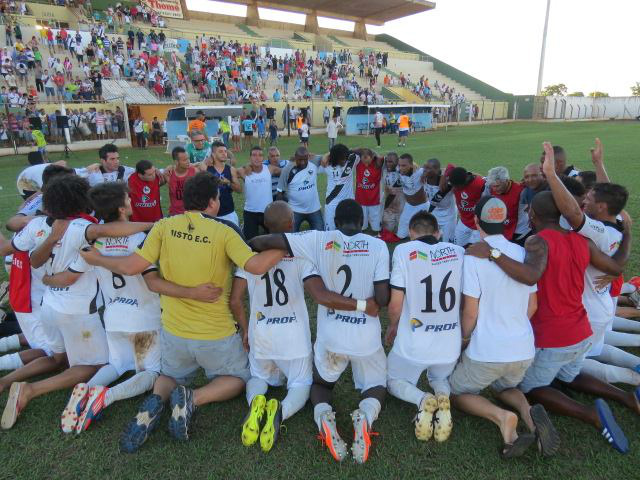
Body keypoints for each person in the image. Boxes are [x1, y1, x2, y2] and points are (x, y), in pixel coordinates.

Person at [77, 172, 285, 453]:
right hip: (215, 334)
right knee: (239, 379)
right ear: (213, 202)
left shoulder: (163, 226)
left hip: (174, 332)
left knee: (169, 375)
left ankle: (156, 401)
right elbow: (256, 266)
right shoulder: (225, 230)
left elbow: (131, 267)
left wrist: (95, 258)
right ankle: (194, 399)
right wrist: (288, 243)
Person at [465, 142, 634, 454]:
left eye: (529, 209)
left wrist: (492, 251)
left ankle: (591, 415)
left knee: (532, 388)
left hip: (557, 335)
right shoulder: (582, 241)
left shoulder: (537, 242)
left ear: (534, 214)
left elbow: (529, 275)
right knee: (570, 376)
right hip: (582, 330)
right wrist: (628, 234)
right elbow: (617, 266)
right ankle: (623, 396)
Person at [0, 175, 153, 430]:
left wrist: (49, 255)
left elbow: (32, 261)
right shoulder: (81, 227)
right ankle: (30, 389)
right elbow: (108, 229)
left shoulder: (36, 224)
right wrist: (153, 224)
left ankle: (6, 381)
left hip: (49, 305)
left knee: (56, 357)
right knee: (96, 365)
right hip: (77, 312)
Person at [60, 182, 215, 433]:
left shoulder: (94, 242)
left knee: (117, 364)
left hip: (113, 317)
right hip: (144, 318)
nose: (132, 202)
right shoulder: (142, 238)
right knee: (152, 372)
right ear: (122, 208)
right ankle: (105, 398)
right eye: (128, 200)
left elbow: (71, 274)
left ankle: (86, 389)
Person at [248, 199, 390, 464]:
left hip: (331, 338)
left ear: (335, 222)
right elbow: (381, 298)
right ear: (362, 222)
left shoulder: (317, 238)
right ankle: (365, 417)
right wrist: (369, 303)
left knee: (322, 384)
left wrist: (270, 241)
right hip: (366, 339)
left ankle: (325, 416)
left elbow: (260, 243)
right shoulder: (378, 245)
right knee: (376, 385)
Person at [450, 197, 559, 458]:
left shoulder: (474, 256)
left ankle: (502, 417)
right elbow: (531, 307)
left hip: (487, 351)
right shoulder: (524, 255)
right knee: (505, 386)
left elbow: (470, 311)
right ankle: (527, 413)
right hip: (522, 350)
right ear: (506, 221)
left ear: (476, 221)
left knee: (456, 393)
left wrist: (463, 340)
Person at [543, 140, 637, 386]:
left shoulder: (598, 231)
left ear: (602, 206)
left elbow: (573, 214)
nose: (584, 200)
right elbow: (609, 192)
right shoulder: (619, 222)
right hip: (602, 302)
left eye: (590, 198)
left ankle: (632, 380)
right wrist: (598, 163)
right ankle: (636, 366)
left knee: (576, 363)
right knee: (598, 347)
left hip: (590, 310)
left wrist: (551, 175)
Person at [385, 211, 462, 444]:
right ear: (438, 233)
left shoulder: (402, 251)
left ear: (410, 233)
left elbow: (396, 303)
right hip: (450, 344)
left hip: (414, 344)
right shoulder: (459, 252)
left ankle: (422, 399)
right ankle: (441, 396)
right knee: (439, 376)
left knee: (392, 380)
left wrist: (393, 326)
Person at [276, 147, 324, 232]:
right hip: (294, 210)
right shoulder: (287, 169)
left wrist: (315, 155)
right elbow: (280, 192)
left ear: (308, 157)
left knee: (320, 234)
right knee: (291, 237)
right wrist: (282, 213)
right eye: (300, 160)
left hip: (314, 209)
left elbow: (329, 156)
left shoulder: (314, 162)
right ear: (295, 157)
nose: (302, 162)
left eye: (305, 159)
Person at [238, 146, 281, 240]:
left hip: (267, 211)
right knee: (250, 241)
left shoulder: (270, 169)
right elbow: (231, 171)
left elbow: (286, 172)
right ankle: (244, 227)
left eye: (260, 155)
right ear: (250, 158)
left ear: (263, 158)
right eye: (254, 155)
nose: (257, 158)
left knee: (275, 239)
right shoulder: (243, 171)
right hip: (250, 212)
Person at [324, 144, 360, 231]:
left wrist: (350, 150)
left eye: (345, 157)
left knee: (351, 229)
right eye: (341, 159)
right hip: (332, 202)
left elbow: (362, 151)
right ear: (334, 158)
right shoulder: (326, 165)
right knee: (330, 230)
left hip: (349, 201)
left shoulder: (351, 161)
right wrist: (327, 154)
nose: (344, 160)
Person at [207, 141, 242, 226]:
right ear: (213, 154)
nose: (224, 154)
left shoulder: (231, 169)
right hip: (211, 214)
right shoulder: (206, 169)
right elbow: (190, 165)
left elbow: (239, 190)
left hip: (229, 213)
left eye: (225, 151)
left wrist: (228, 183)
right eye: (220, 151)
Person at [449, 167, 486, 247]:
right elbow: (449, 167)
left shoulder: (481, 184)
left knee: (475, 251)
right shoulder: (455, 179)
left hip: (479, 225)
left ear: (464, 182)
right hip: (464, 221)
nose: (454, 188)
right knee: (456, 247)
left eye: (456, 186)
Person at [396, 153, 430, 240]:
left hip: (422, 206)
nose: (401, 168)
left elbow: (434, 168)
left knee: (422, 237)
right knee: (400, 235)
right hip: (409, 205)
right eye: (399, 165)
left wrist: (426, 173)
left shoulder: (419, 172)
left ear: (411, 164)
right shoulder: (397, 170)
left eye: (404, 165)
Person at [423, 159, 456, 243]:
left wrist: (445, 176)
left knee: (447, 243)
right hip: (435, 211)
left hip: (448, 215)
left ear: (437, 170)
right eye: (425, 167)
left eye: (428, 168)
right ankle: (440, 232)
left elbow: (452, 166)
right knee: (428, 239)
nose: (424, 170)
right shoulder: (424, 178)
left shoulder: (446, 183)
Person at [513, 163, 547, 246]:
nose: (530, 179)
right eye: (527, 177)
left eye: (534, 175)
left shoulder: (551, 188)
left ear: (542, 174)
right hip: (534, 231)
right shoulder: (526, 192)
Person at [487, 166, 524, 241]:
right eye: (492, 186)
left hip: (516, 233)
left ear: (506, 181)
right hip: (498, 230)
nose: (494, 189)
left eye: (497, 186)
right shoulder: (491, 187)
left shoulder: (520, 191)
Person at [355, 148, 384, 235]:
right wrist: (362, 150)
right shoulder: (358, 163)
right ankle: (364, 227)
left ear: (372, 157)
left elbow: (383, 157)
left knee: (376, 226)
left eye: (367, 159)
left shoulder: (378, 163)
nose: (365, 163)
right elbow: (351, 151)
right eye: (363, 160)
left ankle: (376, 229)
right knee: (362, 225)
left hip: (374, 198)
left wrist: (374, 153)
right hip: (361, 198)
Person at [166, 146, 198, 216]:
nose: (188, 161)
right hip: (175, 214)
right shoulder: (169, 173)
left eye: (188, 158)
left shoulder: (194, 171)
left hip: (192, 214)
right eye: (184, 160)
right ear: (176, 162)